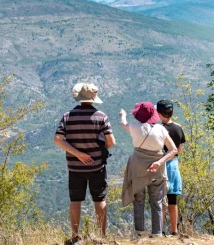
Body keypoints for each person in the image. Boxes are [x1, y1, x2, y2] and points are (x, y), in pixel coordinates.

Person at [54, 82, 116, 244]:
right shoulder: (101, 117)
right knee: (100, 199)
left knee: (75, 200)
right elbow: (111, 142)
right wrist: (99, 148)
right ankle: (101, 236)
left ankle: (75, 236)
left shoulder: (67, 116)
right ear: (94, 99)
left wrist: (78, 154)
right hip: (97, 166)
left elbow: (58, 139)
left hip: (74, 166)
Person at [120, 102, 177, 238]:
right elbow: (173, 150)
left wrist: (122, 115)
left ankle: (140, 233)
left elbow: (123, 124)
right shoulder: (161, 130)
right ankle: (157, 233)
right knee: (157, 201)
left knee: (138, 200)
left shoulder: (134, 127)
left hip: (138, 168)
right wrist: (159, 162)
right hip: (156, 170)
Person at [157, 100, 186, 236]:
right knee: (172, 200)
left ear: (158, 113)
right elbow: (179, 149)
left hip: (161, 165)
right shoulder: (178, 127)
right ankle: (174, 230)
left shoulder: (157, 129)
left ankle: (160, 230)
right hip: (174, 166)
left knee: (161, 200)